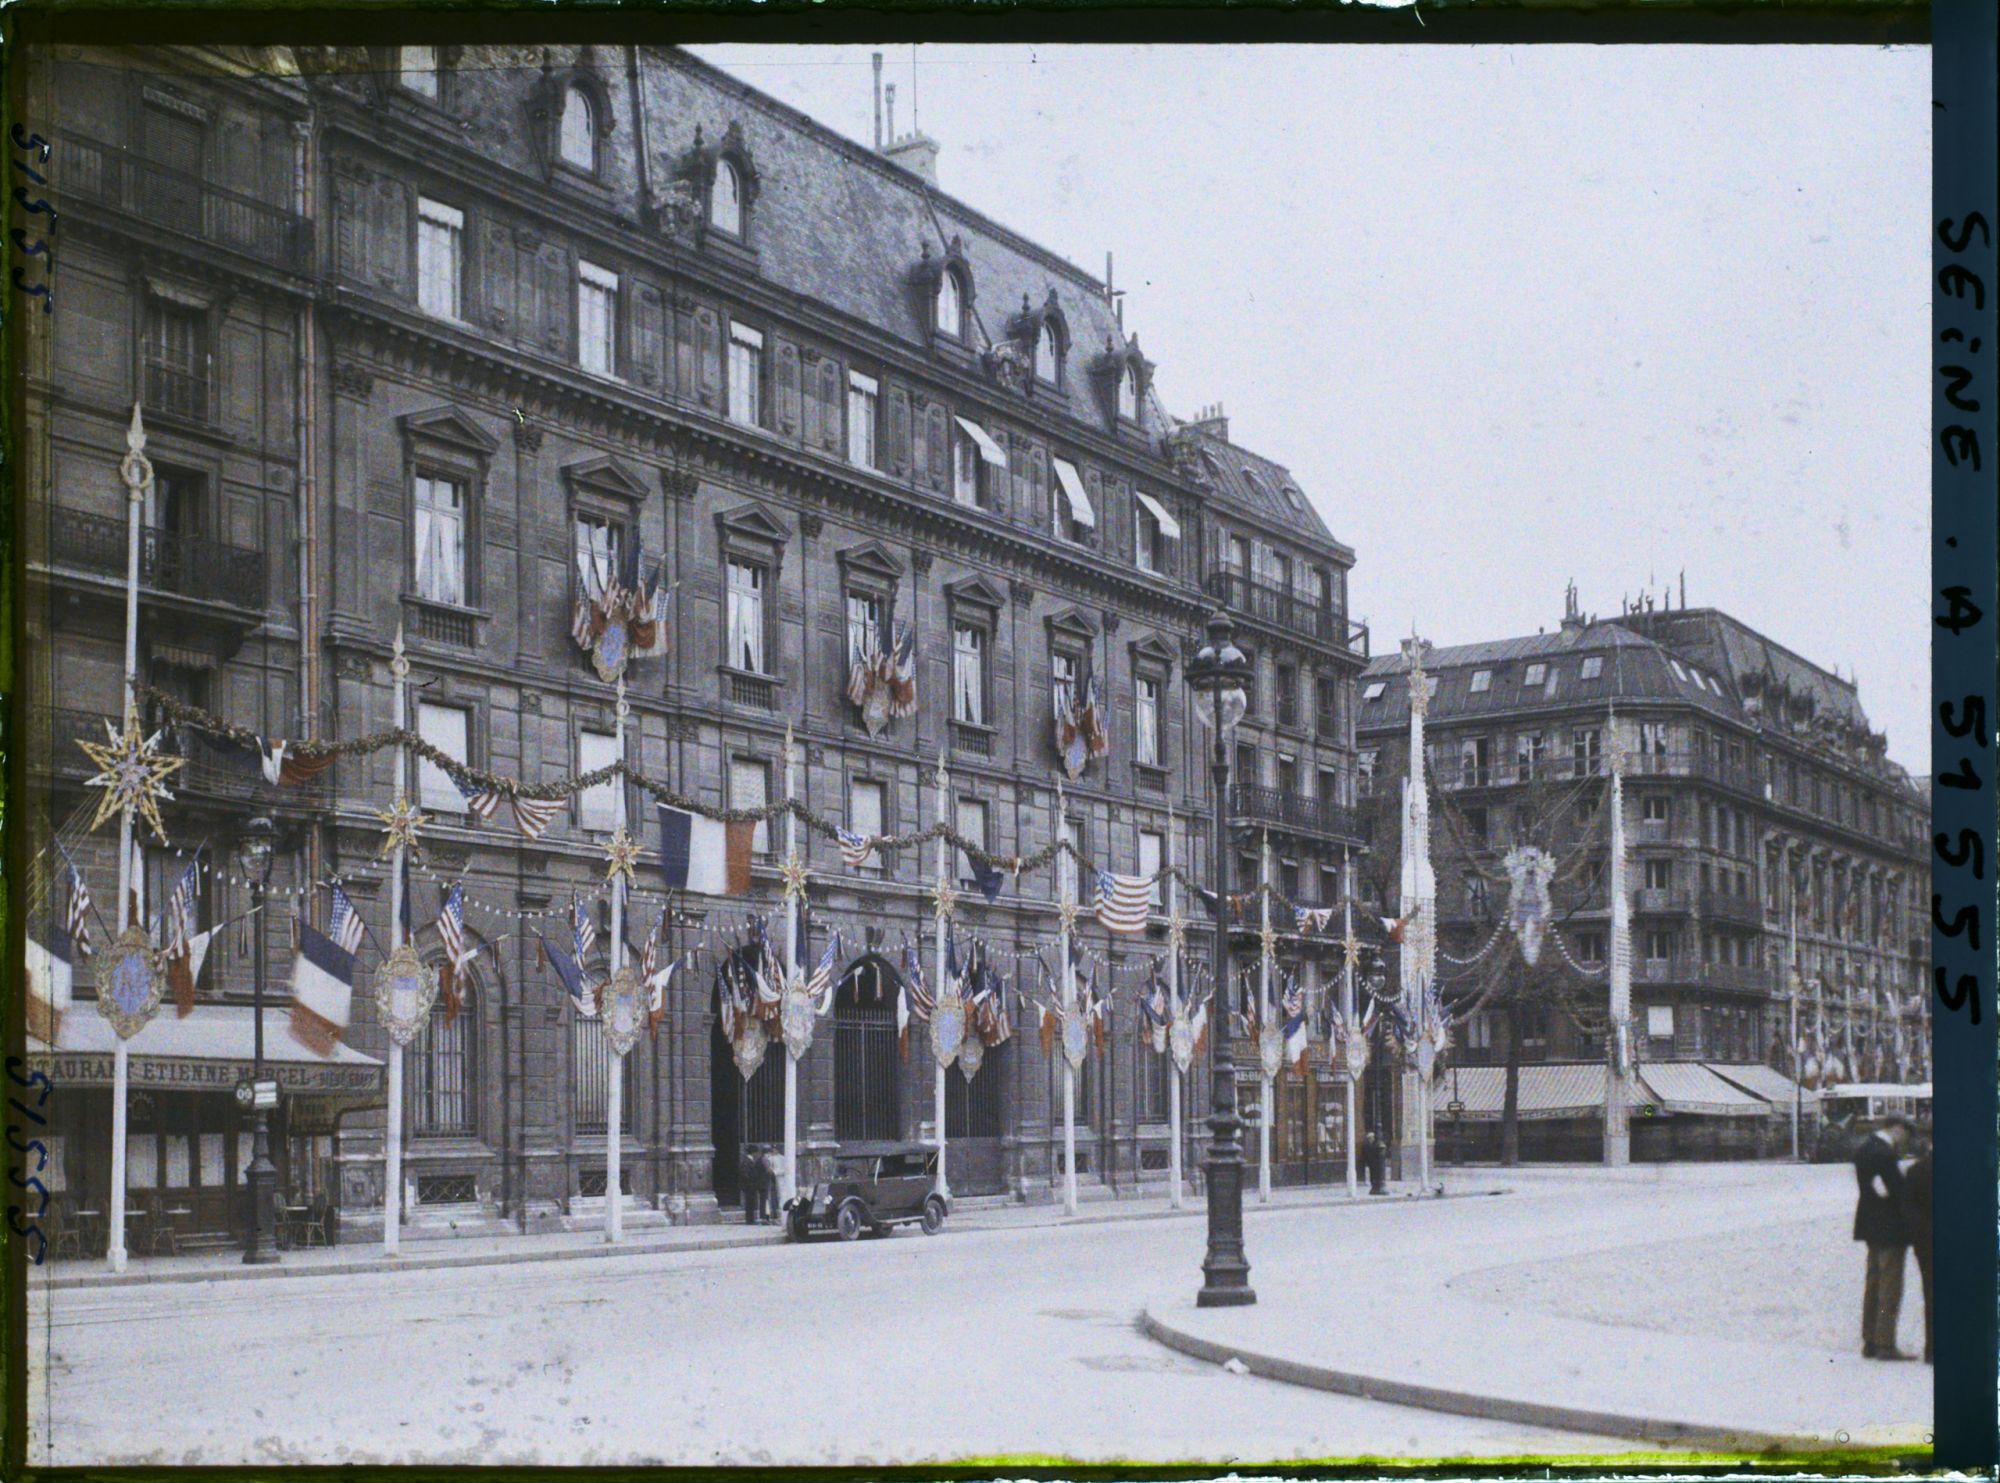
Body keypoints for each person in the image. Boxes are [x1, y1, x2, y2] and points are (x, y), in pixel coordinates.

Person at [1852, 1114, 1913, 1360]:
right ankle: (1885, 1343)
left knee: (1873, 1282)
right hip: (1891, 1228)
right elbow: (1897, 1192)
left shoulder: (1864, 1149)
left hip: (1870, 1225)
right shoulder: (1886, 1155)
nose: (1905, 1141)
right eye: (1906, 1135)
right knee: (1890, 1285)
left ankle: (1870, 1339)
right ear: (1897, 1129)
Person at [1899, 1124, 1933, 1365]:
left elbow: (1908, 1210)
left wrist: (1921, 1235)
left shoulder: (1916, 1171)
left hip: (1927, 1243)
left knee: (1932, 1295)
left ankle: (1934, 1349)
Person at [759, 1145, 785, 1224]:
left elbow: (784, 1169)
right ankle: (771, 1216)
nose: (773, 1151)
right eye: (772, 1150)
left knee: (780, 1197)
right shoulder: (768, 1159)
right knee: (770, 1199)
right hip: (771, 1181)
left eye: (774, 1150)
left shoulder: (782, 1158)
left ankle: (779, 1215)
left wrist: (775, 1173)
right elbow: (769, 1170)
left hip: (780, 1180)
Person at [739, 1144, 762, 1225]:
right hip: (749, 1185)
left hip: (750, 1185)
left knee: (751, 1203)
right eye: (756, 1152)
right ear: (753, 1152)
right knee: (750, 1203)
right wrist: (752, 1182)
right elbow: (745, 1174)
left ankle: (750, 1219)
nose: (757, 1154)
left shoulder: (749, 1160)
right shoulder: (747, 1161)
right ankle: (750, 1220)